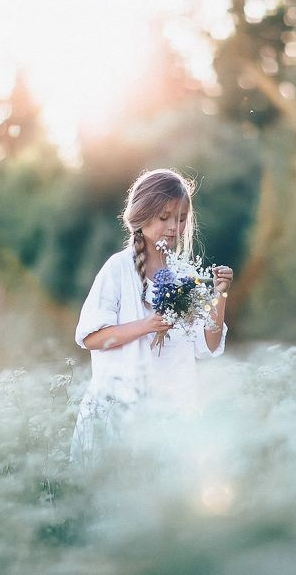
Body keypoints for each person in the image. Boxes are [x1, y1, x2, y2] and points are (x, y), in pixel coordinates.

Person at [70, 168, 234, 465]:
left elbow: (208, 345)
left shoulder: (185, 275)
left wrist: (219, 295)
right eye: (164, 217)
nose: (174, 227)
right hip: (121, 415)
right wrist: (147, 325)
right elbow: (91, 338)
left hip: (171, 417)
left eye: (181, 219)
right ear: (142, 216)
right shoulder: (118, 269)